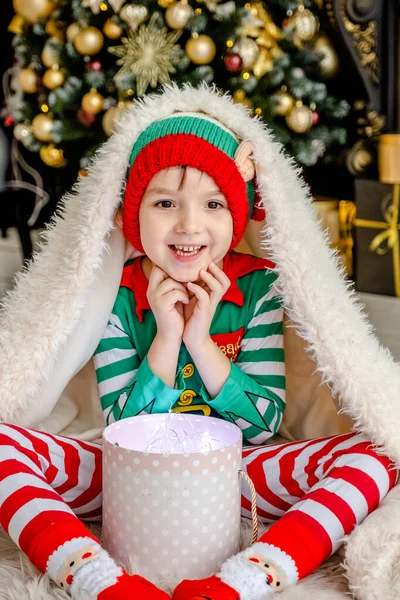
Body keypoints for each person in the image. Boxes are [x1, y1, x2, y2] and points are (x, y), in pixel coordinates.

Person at [0, 104, 396, 600]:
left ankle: (246, 578)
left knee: (378, 454)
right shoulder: (117, 294)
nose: (189, 225)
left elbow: (264, 422)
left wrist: (200, 342)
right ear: (133, 214)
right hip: (124, 479)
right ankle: (99, 581)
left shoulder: (256, 288)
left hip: (239, 476)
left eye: (213, 205)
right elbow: (122, 428)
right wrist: (166, 338)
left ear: (236, 215)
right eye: (165, 204)